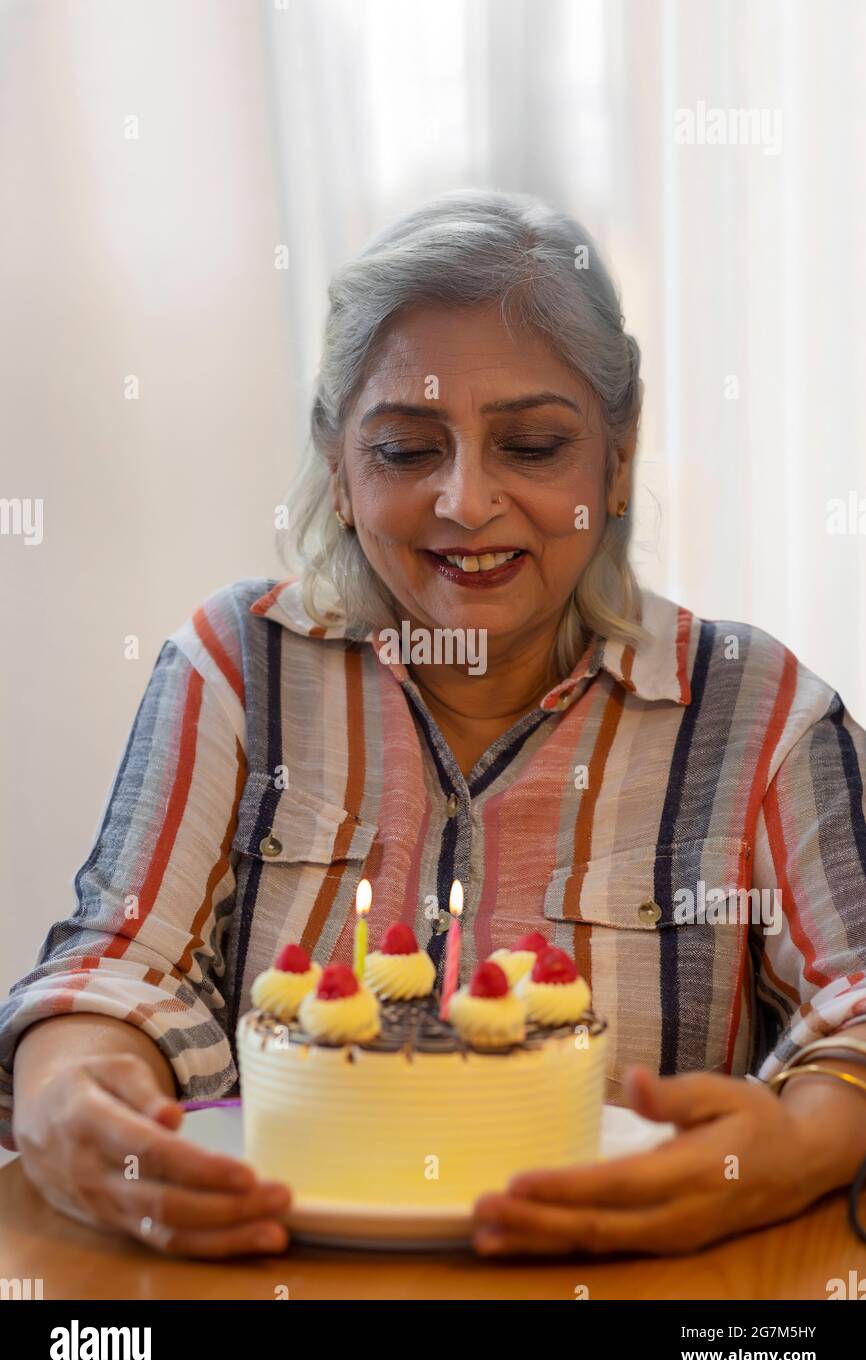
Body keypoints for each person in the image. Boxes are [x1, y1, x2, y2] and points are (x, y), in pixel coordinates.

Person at [3, 190, 866, 1260]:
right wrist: (73, 1090)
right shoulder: (235, 667)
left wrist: (795, 1144)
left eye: (534, 445)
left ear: (619, 448)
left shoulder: (760, 711)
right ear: (338, 465)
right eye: (409, 451)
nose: (465, 501)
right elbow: (118, 966)